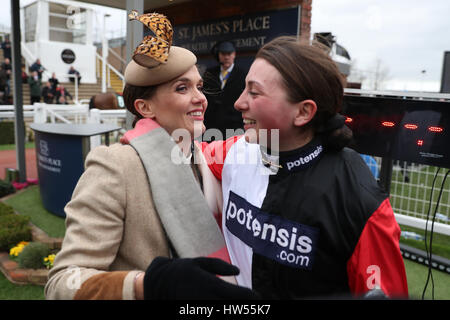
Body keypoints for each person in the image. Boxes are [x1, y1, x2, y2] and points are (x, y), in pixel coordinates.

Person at [45, 11, 256, 300]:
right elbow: (62, 282)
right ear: (145, 108)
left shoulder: (202, 157)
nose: (200, 98)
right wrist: (148, 285)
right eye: (182, 88)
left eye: (199, 86)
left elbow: (254, 147)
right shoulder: (115, 166)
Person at [202, 36, 409, 299]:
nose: (239, 103)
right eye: (244, 89)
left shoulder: (358, 200)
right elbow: (190, 154)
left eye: (254, 92)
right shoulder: (237, 151)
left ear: (303, 112)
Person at [203, 41, 246, 140]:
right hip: (212, 127)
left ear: (234, 55)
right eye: (223, 54)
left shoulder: (242, 74)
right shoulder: (210, 73)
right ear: (218, 55)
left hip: (234, 127)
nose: (226, 57)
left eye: (229, 54)